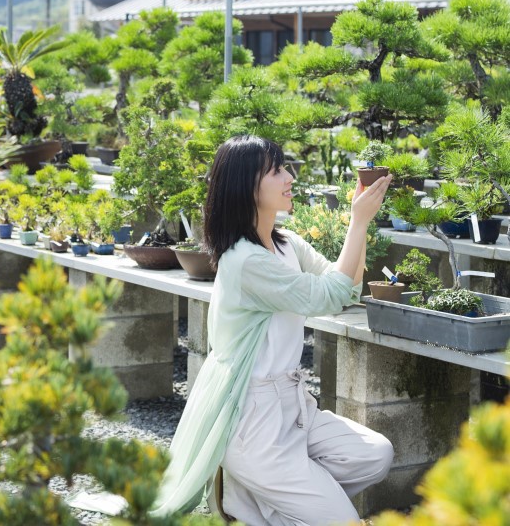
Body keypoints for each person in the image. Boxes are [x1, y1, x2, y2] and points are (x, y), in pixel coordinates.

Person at [150, 135, 394, 525]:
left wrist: (359, 223)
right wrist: (358, 220)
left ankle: (256, 501)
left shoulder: (285, 244)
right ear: (248, 185)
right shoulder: (246, 262)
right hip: (254, 419)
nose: (289, 177)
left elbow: (345, 287)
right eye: (277, 170)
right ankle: (259, 494)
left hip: (295, 406)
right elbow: (331, 295)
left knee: (374, 454)